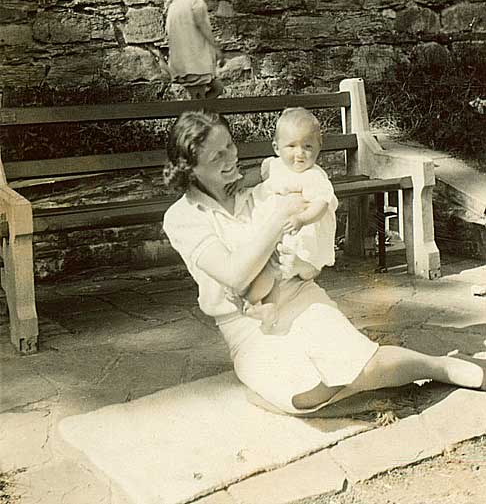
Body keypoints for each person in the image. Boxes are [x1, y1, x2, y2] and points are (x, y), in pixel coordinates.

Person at [162, 110, 486, 416]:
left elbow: (312, 216)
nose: (231, 157)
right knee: (302, 394)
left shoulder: (260, 189)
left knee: (357, 367)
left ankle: (438, 366)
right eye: (216, 156)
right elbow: (234, 275)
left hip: (298, 297)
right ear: (190, 169)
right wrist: (278, 218)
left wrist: (290, 238)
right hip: (245, 328)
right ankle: (328, 389)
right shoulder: (183, 217)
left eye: (230, 146)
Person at [245, 107, 338, 309]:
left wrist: (302, 219)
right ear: (277, 148)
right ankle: (266, 307)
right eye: (291, 146)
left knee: (287, 265)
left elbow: (322, 204)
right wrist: (238, 184)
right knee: (270, 269)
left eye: (307, 146)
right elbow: (256, 175)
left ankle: (305, 269)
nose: (300, 153)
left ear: (319, 146)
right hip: (274, 227)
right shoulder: (274, 165)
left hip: (299, 230)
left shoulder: (314, 176)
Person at [165, 0, 224, 100]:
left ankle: (203, 111)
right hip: (195, 64)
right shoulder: (196, 2)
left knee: (217, 88)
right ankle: (197, 112)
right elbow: (203, 26)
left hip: (182, 63)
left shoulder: (174, 4)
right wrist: (216, 48)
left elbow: (169, 31)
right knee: (197, 97)